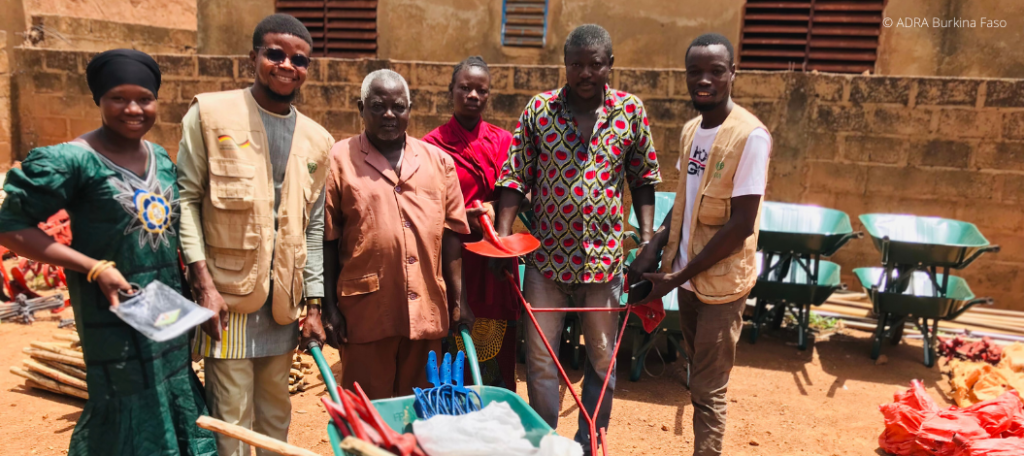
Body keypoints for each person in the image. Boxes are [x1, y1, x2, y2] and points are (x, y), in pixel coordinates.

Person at [0, 49, 217, 456]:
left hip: (165, 312)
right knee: (127, 405)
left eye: (145, 98)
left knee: (175, 394)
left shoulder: (162, 159)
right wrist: (93, 267)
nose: (133, 108)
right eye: (119, 97)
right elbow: (10, 229)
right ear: (99, 99)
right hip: (112, 315)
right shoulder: (71, 160)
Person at [493, 24, 661, 453]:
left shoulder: (630, 111)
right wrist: (503, 233)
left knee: (603, 359)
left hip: (603, 264)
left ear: (610, 65)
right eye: (576, 64)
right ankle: (545, 443)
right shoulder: (539, 111)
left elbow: (643, 179)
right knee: (542, 363)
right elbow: (515, 176)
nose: (586, 72)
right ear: (564, 66)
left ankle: (590, 440)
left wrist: (644, 238)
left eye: (595, 64)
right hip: (546, 261)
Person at [175, 14, 333, 456]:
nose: (287, 65)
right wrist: (203, 286)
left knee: (275, 417)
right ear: (254, 57)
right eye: (275, 54)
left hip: (283, 302)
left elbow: (314, 224)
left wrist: (314, 303)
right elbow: (185, 200)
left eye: (299, 59)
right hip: (226, 298)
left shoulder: (318, 139)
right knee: (232, 419)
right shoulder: (209, 113)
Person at [629, 33, 772, 456]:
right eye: (695, 72)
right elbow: (686, 201)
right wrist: (653, 246)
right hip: (688, 280)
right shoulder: (693, 130)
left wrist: (677, 277)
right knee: (697, 375)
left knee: (709, 389)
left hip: (720, 286)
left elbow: (741, 225)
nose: (704, 80)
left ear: (732, 75)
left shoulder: (750, 136)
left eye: (715, 71)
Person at [322, 69, 472, 400]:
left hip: (427, 308)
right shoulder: (339, 159)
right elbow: (327, 239)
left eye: (399, 106)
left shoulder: (439, 162)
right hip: (365, 311)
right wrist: (328, 306)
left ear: (410, 108)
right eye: (377, 106)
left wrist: (459, 301)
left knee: (422, 409)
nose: (389, 115)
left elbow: (452, 236)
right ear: (360, 108)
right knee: (365, 410)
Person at [422, 56, 521, 391]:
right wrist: (464, 216)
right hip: (452, 258)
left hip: (494, 257)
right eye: (465, 88)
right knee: (453, 344)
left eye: (481, 90)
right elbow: (424, 207)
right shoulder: (431, 147)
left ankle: (494, 421)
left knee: (498, 355)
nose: (473, 95)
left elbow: (518, 192)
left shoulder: (504, 142)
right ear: (451, 91)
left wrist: (494, 209)